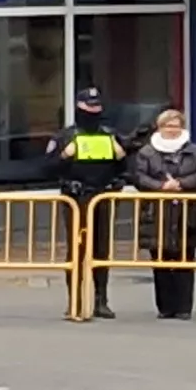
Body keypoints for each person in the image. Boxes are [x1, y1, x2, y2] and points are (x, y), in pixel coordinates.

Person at [121, 106, 196, 320]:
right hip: (156, 212)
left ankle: (183, 307)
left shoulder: (194, 150)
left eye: (176, 125)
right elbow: (139, 176)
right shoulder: (147, 152)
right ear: (160, 127)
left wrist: (181, 184)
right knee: (160, 261)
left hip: (186, 212)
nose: (172, 129)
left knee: (184, 261)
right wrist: (161, 186)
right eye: (168, 126)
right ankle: (165, 307)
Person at [55, 86, 126, 319]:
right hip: (76, 198)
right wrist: (64, 155)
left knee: (101, 250)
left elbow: (124, 169)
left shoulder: (109, 134)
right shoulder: (67, 135)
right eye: (89, 106)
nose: (93, 111)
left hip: (101, 198)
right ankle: (74, 300)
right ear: (78, 107)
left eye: (97, 106)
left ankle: (101, 301)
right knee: (76, 250)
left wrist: (121, 157)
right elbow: (44, 166)